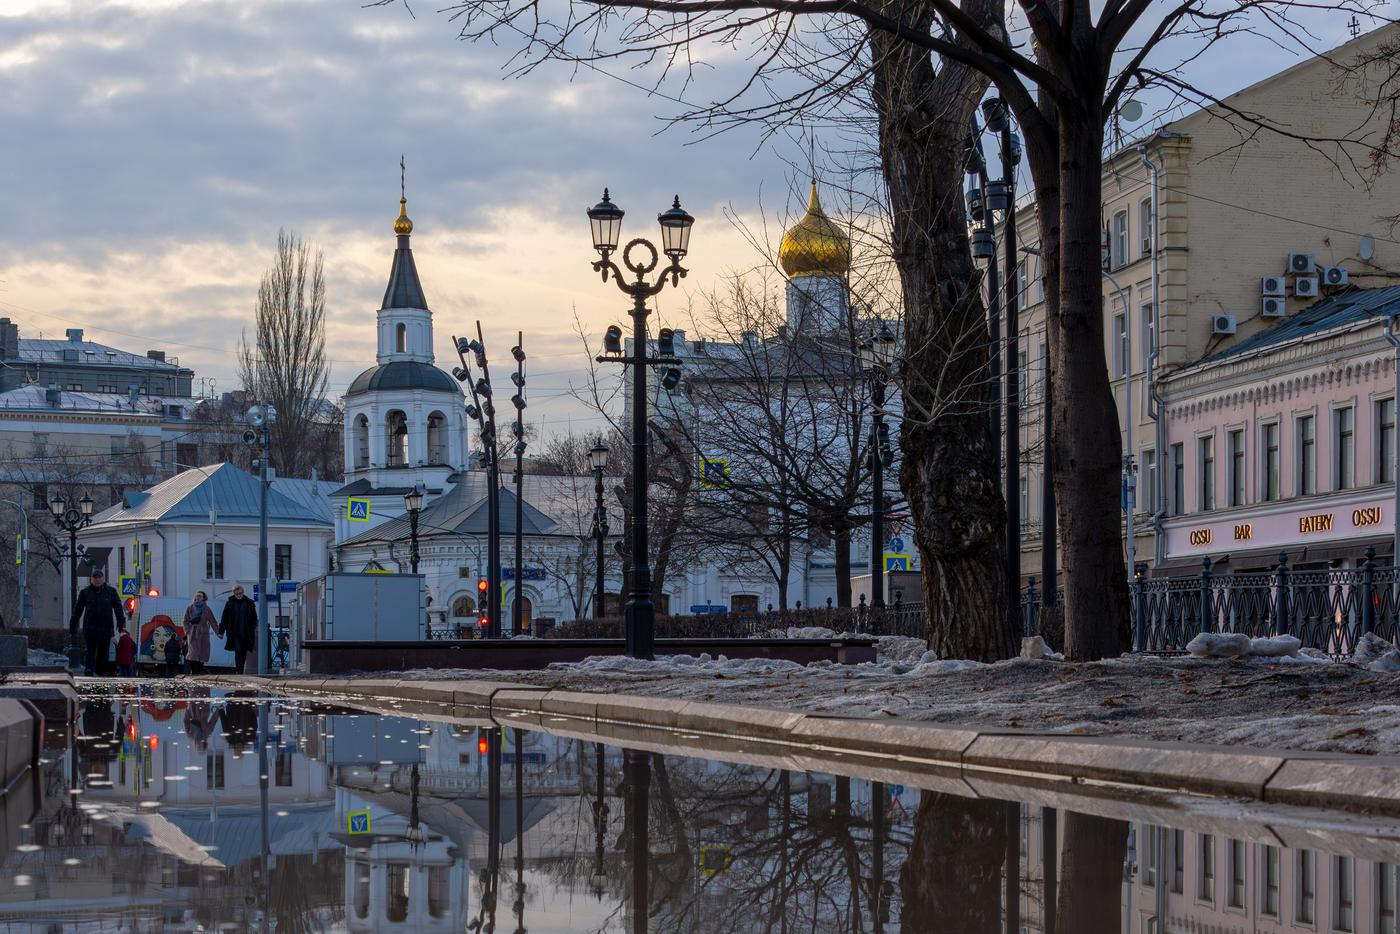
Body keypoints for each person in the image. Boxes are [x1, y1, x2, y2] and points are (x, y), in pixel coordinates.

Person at [70, 569, 126, 676]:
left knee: (103, 652)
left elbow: (118, 608)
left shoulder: (111, 592)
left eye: (99, 578)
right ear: (92, 579)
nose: (97, 580)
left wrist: (121, 623)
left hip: (106, 628)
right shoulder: (85, 592)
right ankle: (89, 669)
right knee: (90, 650)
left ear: (103, 579)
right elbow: (77, 610)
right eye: (95, 578)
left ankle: (101, 670)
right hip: (90, 628)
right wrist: (73, 625)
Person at [219, 584, 258, 673]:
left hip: (246, 632)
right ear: (234, 593)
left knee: (243, 651)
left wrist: (253, 626)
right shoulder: (230, 603)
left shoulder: (249, 603)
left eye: (240, 593)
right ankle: (239, 670)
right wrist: (221, 632)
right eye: (236, 594)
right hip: (234, 631)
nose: (239, 595)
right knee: (238, 651)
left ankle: (241, 670)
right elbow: (224, 618)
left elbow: (254, 618)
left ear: (243, 592)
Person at [183, 591, 216, 675]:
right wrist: (187, 631)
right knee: (192, 653)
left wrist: (218, 632)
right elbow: (185, 621)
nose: (198, 597)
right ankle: (193, 672)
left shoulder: (207, 609)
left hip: (204, 632)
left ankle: (197, 671)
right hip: (193, 632)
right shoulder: (190, 608)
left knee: (203, 653)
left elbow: (213, 622)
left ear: (204, 598)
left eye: (200, 596)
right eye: (197, 595)